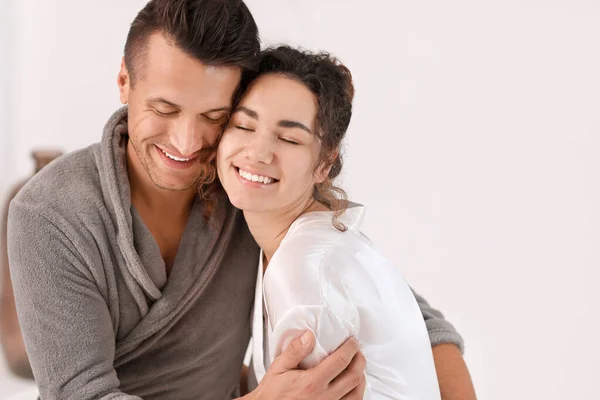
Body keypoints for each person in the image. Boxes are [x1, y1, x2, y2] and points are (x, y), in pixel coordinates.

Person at [7, 1, 474, 399]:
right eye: (165, 109)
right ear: (125, 82)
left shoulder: (247, 183)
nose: (188, 143)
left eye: (216, 115)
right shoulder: (51, 215)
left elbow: (400, 309)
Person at [214, 46, 440, 399]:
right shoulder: (311, 240)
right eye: (244, 125)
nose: (257, 153)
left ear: (324, 163)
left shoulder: (303, 273)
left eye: (289, 138)